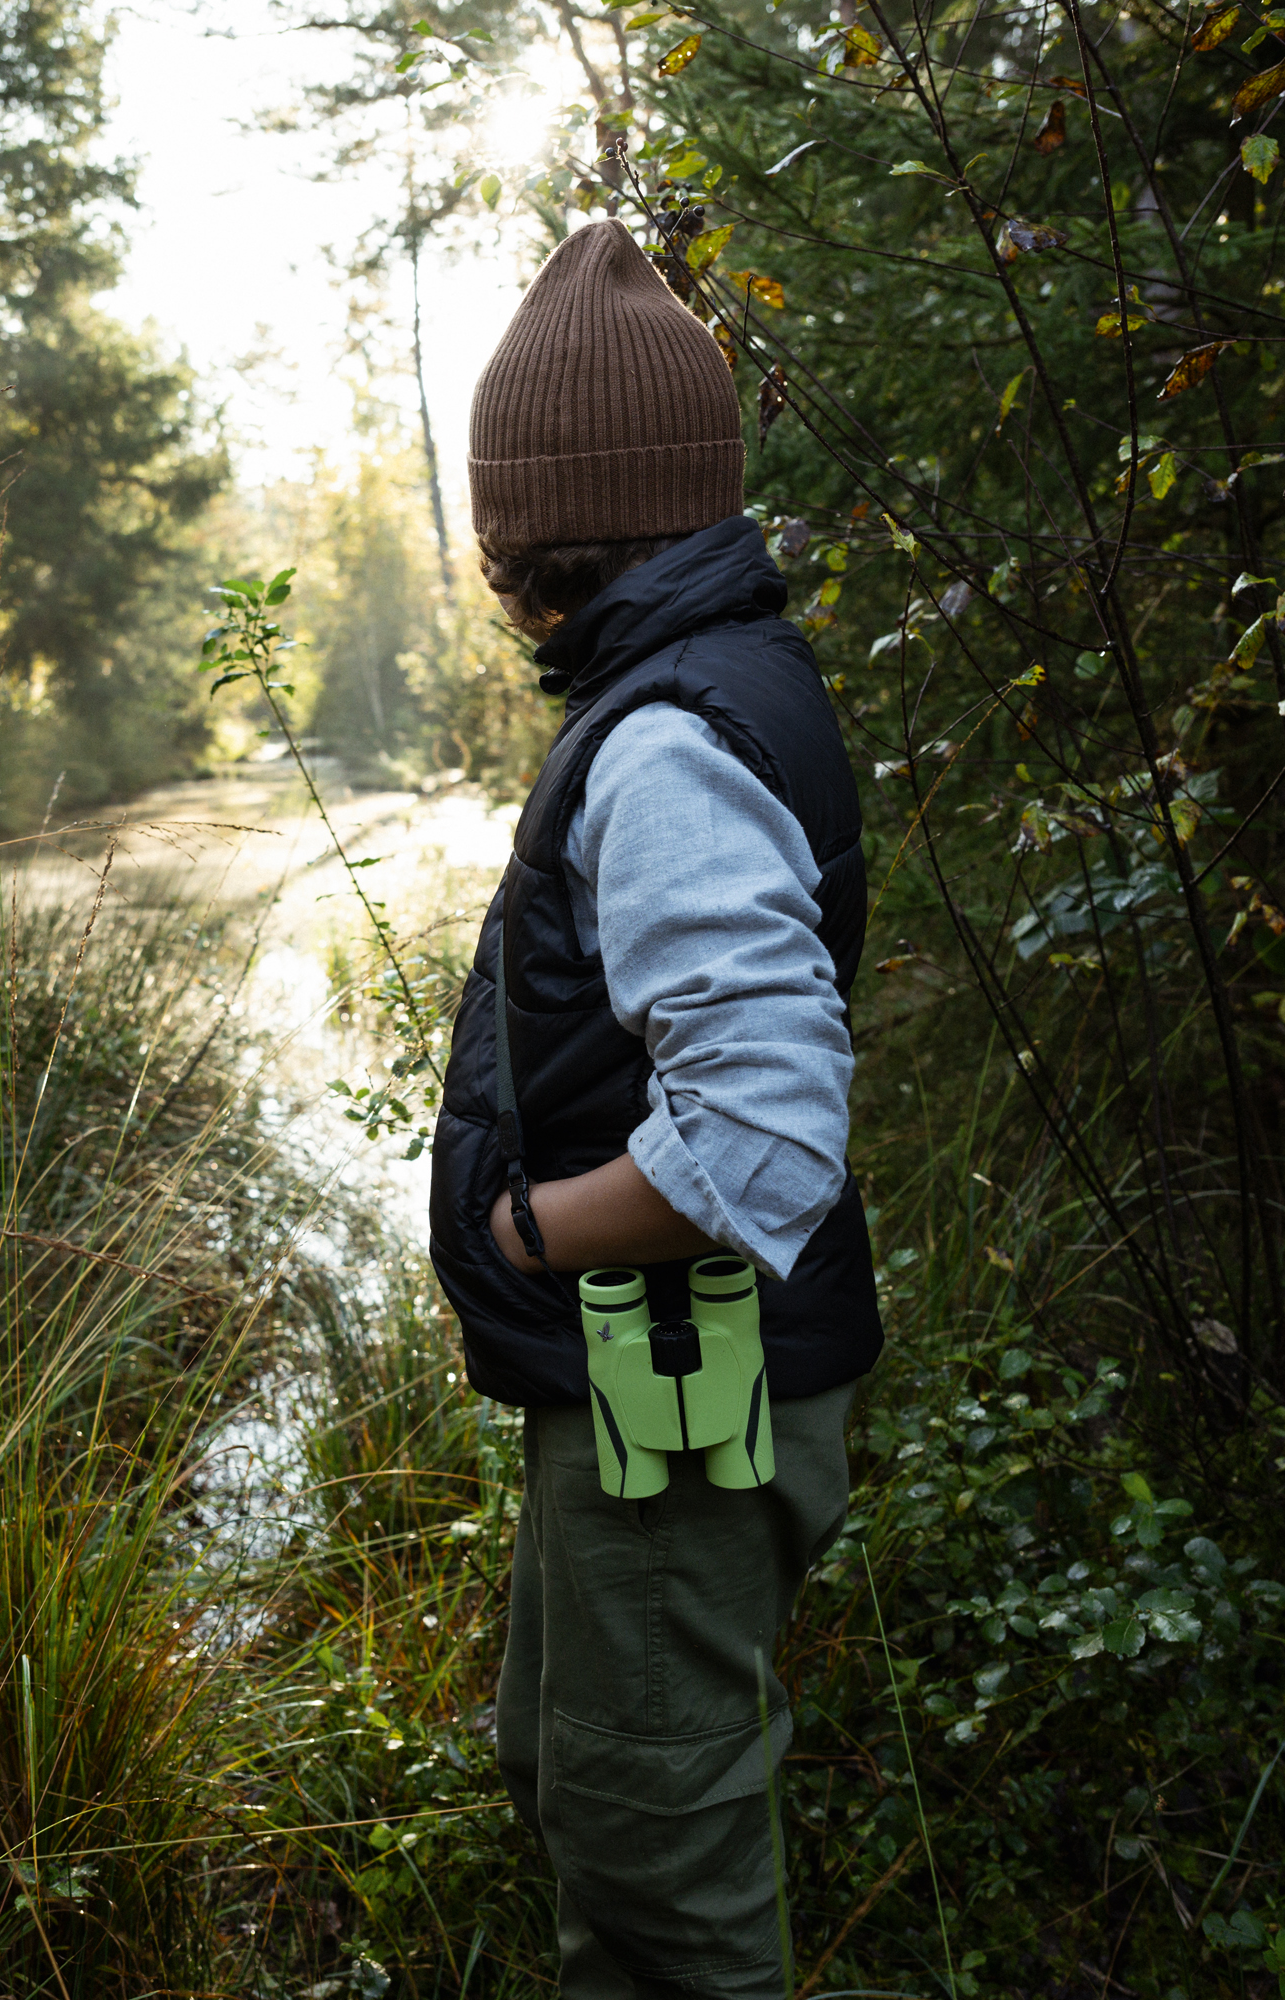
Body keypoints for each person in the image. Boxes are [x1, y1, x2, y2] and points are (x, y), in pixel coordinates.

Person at [426, 219, 883, 2000]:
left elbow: (762, 1137)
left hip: (688, 1368)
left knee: (659, 1846)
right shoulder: (710, 680)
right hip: (666, 1378)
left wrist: (524, 1231)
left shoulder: (666, 740)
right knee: (578, 1767)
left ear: (541, 525)